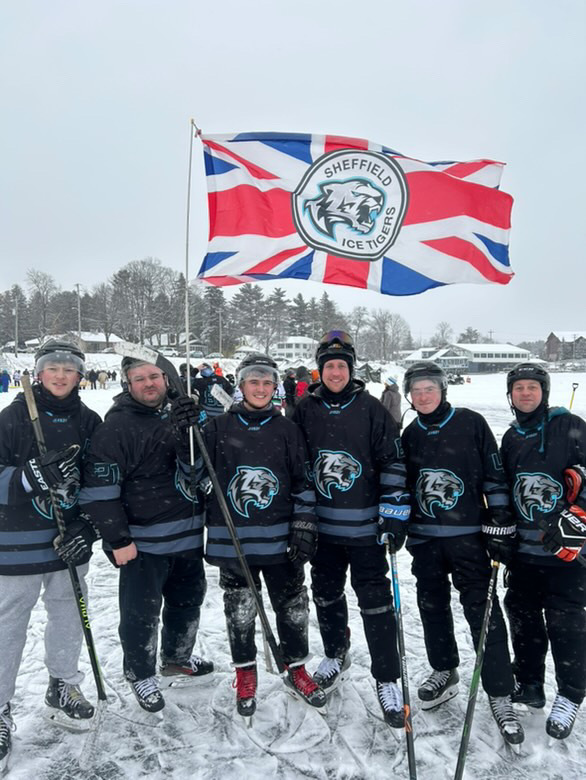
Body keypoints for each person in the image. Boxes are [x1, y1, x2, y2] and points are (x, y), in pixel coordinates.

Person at [79, 357, 213, 713]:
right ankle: (139, 671)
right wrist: (117, 538)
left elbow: (202, 466)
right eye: (140, 378)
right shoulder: (117, 427)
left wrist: (195, 424)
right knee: (141, 613)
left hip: (187, 536)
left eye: (155, 376)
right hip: (143, 542)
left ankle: (176, 657)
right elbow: (98, 491)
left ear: (166, 378)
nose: (149, 383)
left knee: (188, 601)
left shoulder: (179, 415)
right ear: (128, 383)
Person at [401, 361, 523, 745]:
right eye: (416, 390)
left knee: (483, 613)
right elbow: (399, 482)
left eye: (429, 389)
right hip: (425, 539)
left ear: (442, 390)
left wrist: (500, 517)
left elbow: (494, 474)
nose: (423, 396)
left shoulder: (470, 423)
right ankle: (444, 670)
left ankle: (500, 691)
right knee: (432, 607)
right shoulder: (409, 433)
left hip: (468, 537)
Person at [292, 330, 410, 729]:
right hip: (322, 530)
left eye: (342, 366)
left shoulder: (372, 408)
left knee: (375, 602)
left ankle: (387, 677)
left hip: (365, 531)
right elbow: (292, 461)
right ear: (320, 370)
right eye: (330, 366)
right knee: (325, 595)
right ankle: (335, 653)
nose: (336, 372)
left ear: (351, 370)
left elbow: (393, 460)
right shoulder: (304, 408)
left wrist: (393, 512)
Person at [199, 352, 326, 717]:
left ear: (275, 388)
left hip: (280, 537)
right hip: (233, 539)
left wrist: (303, 523)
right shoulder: (218, 427)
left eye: (267, 382)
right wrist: (188, 432)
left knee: (292, 606)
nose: (260, 388)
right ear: (240, 386)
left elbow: (303, 480)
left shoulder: (287, 429)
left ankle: (296, 667)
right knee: (239, 610)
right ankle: (245, 674)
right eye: (253, 381)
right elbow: (193, 474)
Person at [0, 340, 101, 771]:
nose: (60, 375)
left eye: (69, 368)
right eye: (52, 367)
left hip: (68, 542)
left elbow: (104, 481)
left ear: (81, 375)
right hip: (15, 543)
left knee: (69, 614)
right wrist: (26, 477)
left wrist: (89, 527)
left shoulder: (91, 421)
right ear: (39, 372)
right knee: (9, 622)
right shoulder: (13, 417)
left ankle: (63, 684)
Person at [501, 363, 586, 740]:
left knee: (565, 622)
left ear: (544, 392)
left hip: (567, 553)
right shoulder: (511, 436)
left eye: (532, 387)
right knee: (523, 618)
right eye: (518, 388)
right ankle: (530, 683)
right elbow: (502, 485)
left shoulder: (570, 426)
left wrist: (578, 513)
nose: (525, 393)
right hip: (524, 551)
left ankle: (570, 693)